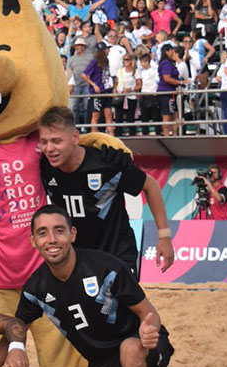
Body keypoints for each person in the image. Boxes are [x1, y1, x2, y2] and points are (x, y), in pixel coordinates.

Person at [17, 205, 194, 367]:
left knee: (129, 349)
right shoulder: (36, 287)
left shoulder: (105, 267)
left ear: (72, 234)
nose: (52, 239)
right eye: (43, 233)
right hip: (102, 362)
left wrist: (148, 330)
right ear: (33, 240)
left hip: (144, 346)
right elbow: (16, 327)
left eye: (59, 231)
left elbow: (149, 313)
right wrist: (1, 361)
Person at [38, 106, 174, 275]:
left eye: (56, 141)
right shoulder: (43, 166)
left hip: (117, 256)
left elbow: (151, 186)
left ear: (74, 137)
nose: (49, 148)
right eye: (44, 142)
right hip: (77, 259)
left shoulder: (107, 162)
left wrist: (164, 236)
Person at [156, 44, 189, 136]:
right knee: (167, 116)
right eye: (172, 51)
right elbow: (167, 78)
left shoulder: (169, 63)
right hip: (166, 93)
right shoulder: (166, 63)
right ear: (167, 51)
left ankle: (175, 135)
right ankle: (167, 136)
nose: (173, 53)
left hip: (172, 93)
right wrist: (181, 83)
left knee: (175, 115)